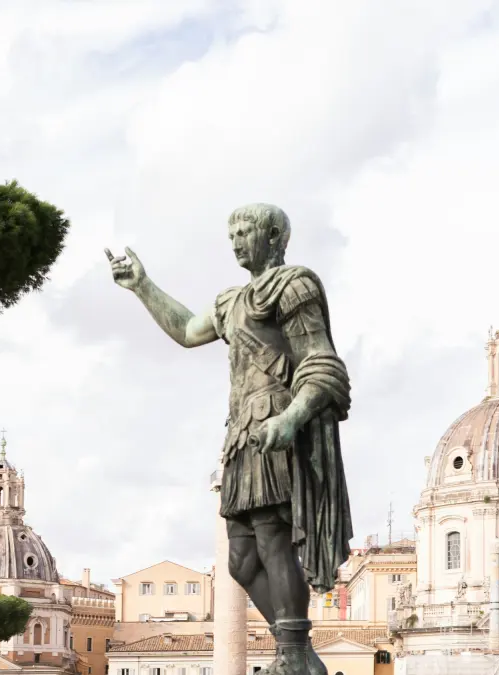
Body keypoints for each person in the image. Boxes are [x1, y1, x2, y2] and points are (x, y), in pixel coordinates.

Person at [106, 203, 353, 675]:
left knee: (273, 540)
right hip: (241, 435)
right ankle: (296, 649)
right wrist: (142, 286)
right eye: (231, 234)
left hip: (274, 425)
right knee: (240, 561)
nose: (236, 241)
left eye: (245, 232)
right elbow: (186, 330)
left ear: (274, 236)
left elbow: (320, 362)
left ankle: (292, 653)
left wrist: (292, 418)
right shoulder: (231, 301)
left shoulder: (293, 285)